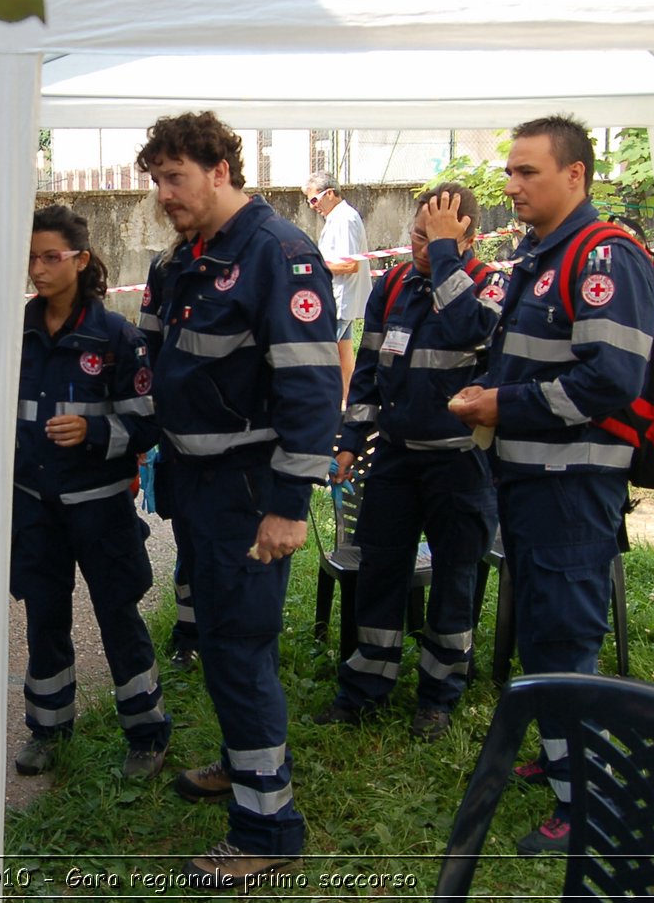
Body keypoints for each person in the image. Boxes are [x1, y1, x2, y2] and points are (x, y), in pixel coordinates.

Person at [136, 112, 342, 889]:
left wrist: (290, 504)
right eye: (156, 180)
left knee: (239, 649)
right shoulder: (182, 260)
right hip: (196, 487)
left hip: (251, 493)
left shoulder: (278, 254)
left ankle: (268, 827)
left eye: (176, 178)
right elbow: (155, 369)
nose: (164, 194)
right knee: (221, 639)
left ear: (222, 169)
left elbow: (312, 387)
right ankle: (241, 764)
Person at [449, 116, 654, 855]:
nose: (511, 186)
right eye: (508, 172)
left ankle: (591, 806)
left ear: (576, 176)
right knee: (542, 628)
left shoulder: (605, 256)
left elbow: (610, 379)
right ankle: (566, 759)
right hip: (531, 481)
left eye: (527, 172)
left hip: (573, 487)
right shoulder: (542, 254)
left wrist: (503, 405)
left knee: (567, 637)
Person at [320, 185, 502, 740]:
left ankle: (439, 695)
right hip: (396, 460)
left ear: (466, 233)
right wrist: (352, 436)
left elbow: (473, 327)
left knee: (455, 578)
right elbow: (370, 367)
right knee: (381, 571)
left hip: (461, 466)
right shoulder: (395, 283)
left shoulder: (493, 283)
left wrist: (446, 257)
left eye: (435, 236)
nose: (420, 245)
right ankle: (366, 687)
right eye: (417, 234)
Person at [11, 205, 172, 780]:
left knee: (118, 617)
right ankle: (48, 729)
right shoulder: (16, 335)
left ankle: (147, 734)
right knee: (44, 618)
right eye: (30, 258)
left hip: (99, 512)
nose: (38, 269)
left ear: (80, 260)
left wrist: (94, 432)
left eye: (50, 257)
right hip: (35, 508)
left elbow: (149, 425)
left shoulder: (116, 339)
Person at [138, 231, 200, 671]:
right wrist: (143, 439)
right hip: (179, 445)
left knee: (236, 552)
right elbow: (147, 354)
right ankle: (189, 636)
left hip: (241, 453)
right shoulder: (164, 266)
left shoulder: (257, 259)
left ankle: (234, 639)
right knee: (190, 544)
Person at [304, 172, 371, 399]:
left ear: (330, 194)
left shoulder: (344, 219)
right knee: (343, 355)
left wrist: (315, 266)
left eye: (314, 200)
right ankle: (347, 401)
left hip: (339, 299)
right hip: (339, 298)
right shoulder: (338, 217)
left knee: (323, 355)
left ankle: (324, 402)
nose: (312, 206)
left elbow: (349, 265)